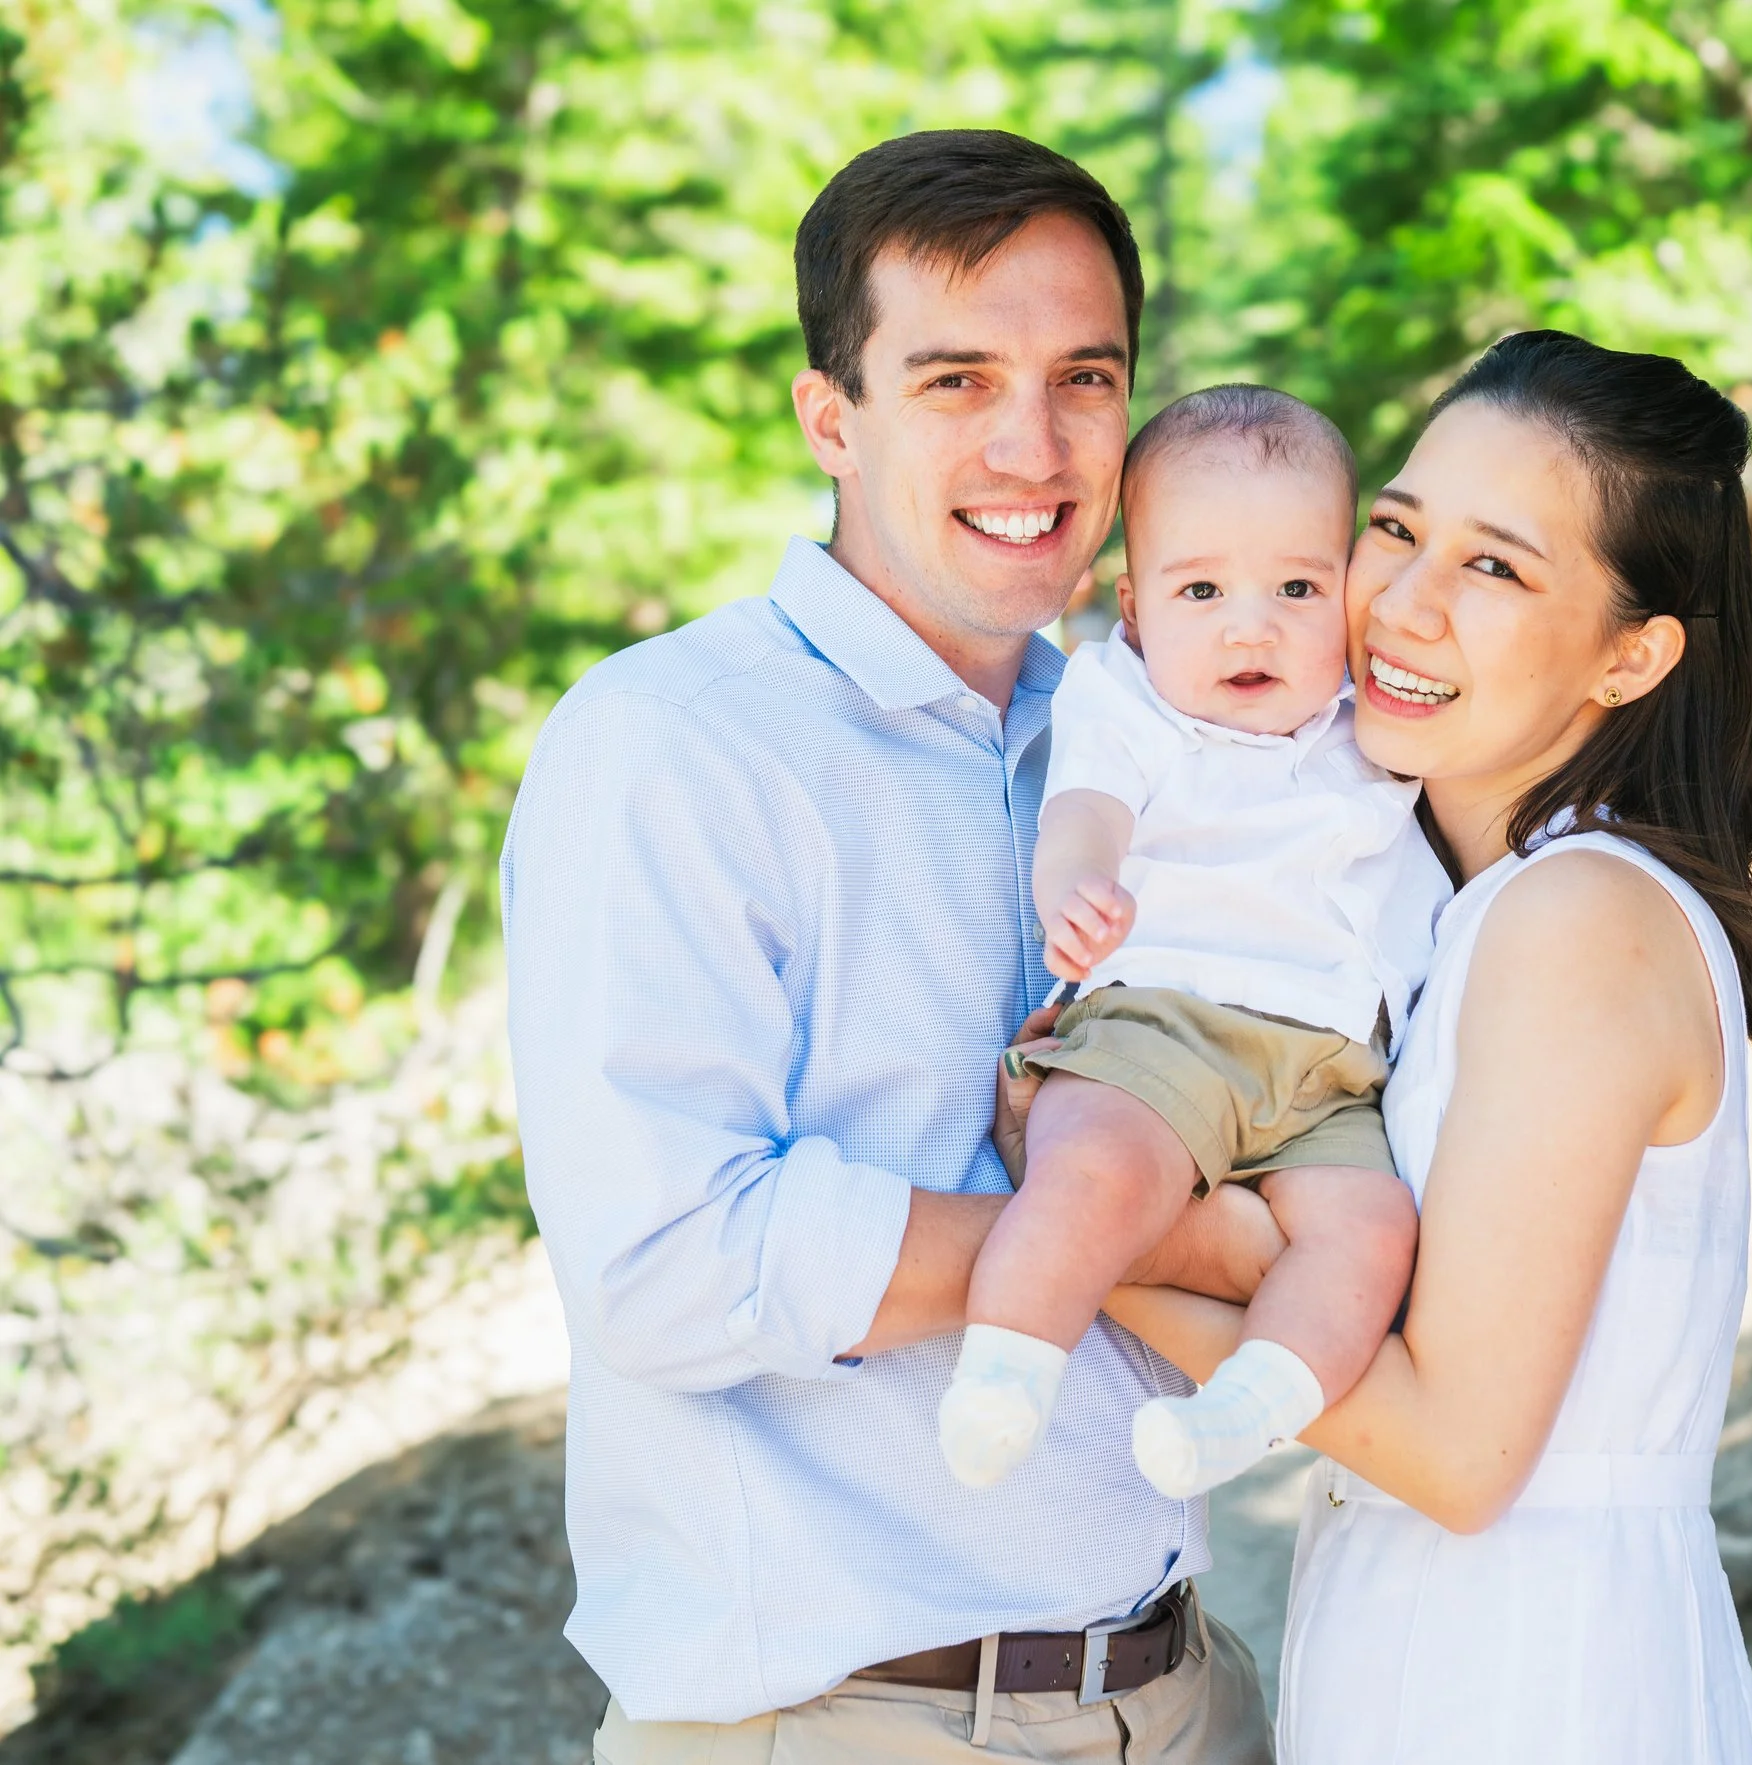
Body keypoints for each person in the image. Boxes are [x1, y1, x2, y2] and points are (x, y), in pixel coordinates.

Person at [501, 130, 1273, 1764]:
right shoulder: (676, 742)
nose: (1032, 441)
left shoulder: (1139, 741)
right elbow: (670, 1260)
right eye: (954, 380)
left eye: (1084, 376)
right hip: (862, 1724)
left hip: (1189, 1694)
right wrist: (1156, 1239)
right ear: (829, 418)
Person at [1101, 330, 1752, 1763]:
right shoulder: (1460, 914)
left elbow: (1457, 1451)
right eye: (1395, 528)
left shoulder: (1578, 917)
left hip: (1533, 1672)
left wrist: (1105, 1239)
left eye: (1496, 567)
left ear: (1631, 656)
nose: (1403, 602)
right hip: (1438, 1641)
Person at [939, 386, 1446, 1502]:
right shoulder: (1127, 702)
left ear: (1350, 593)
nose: (1249, 625)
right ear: (1135, 605)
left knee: (1369, 1235)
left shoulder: (1371, 718)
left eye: (1298, 588)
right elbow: (1085, 811)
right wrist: (1074, 885)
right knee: (1095, 1175)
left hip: (1327, 1068)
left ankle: (1242, 1412)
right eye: (1202, 589)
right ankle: (1007, 1366)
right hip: (1163, 1024)